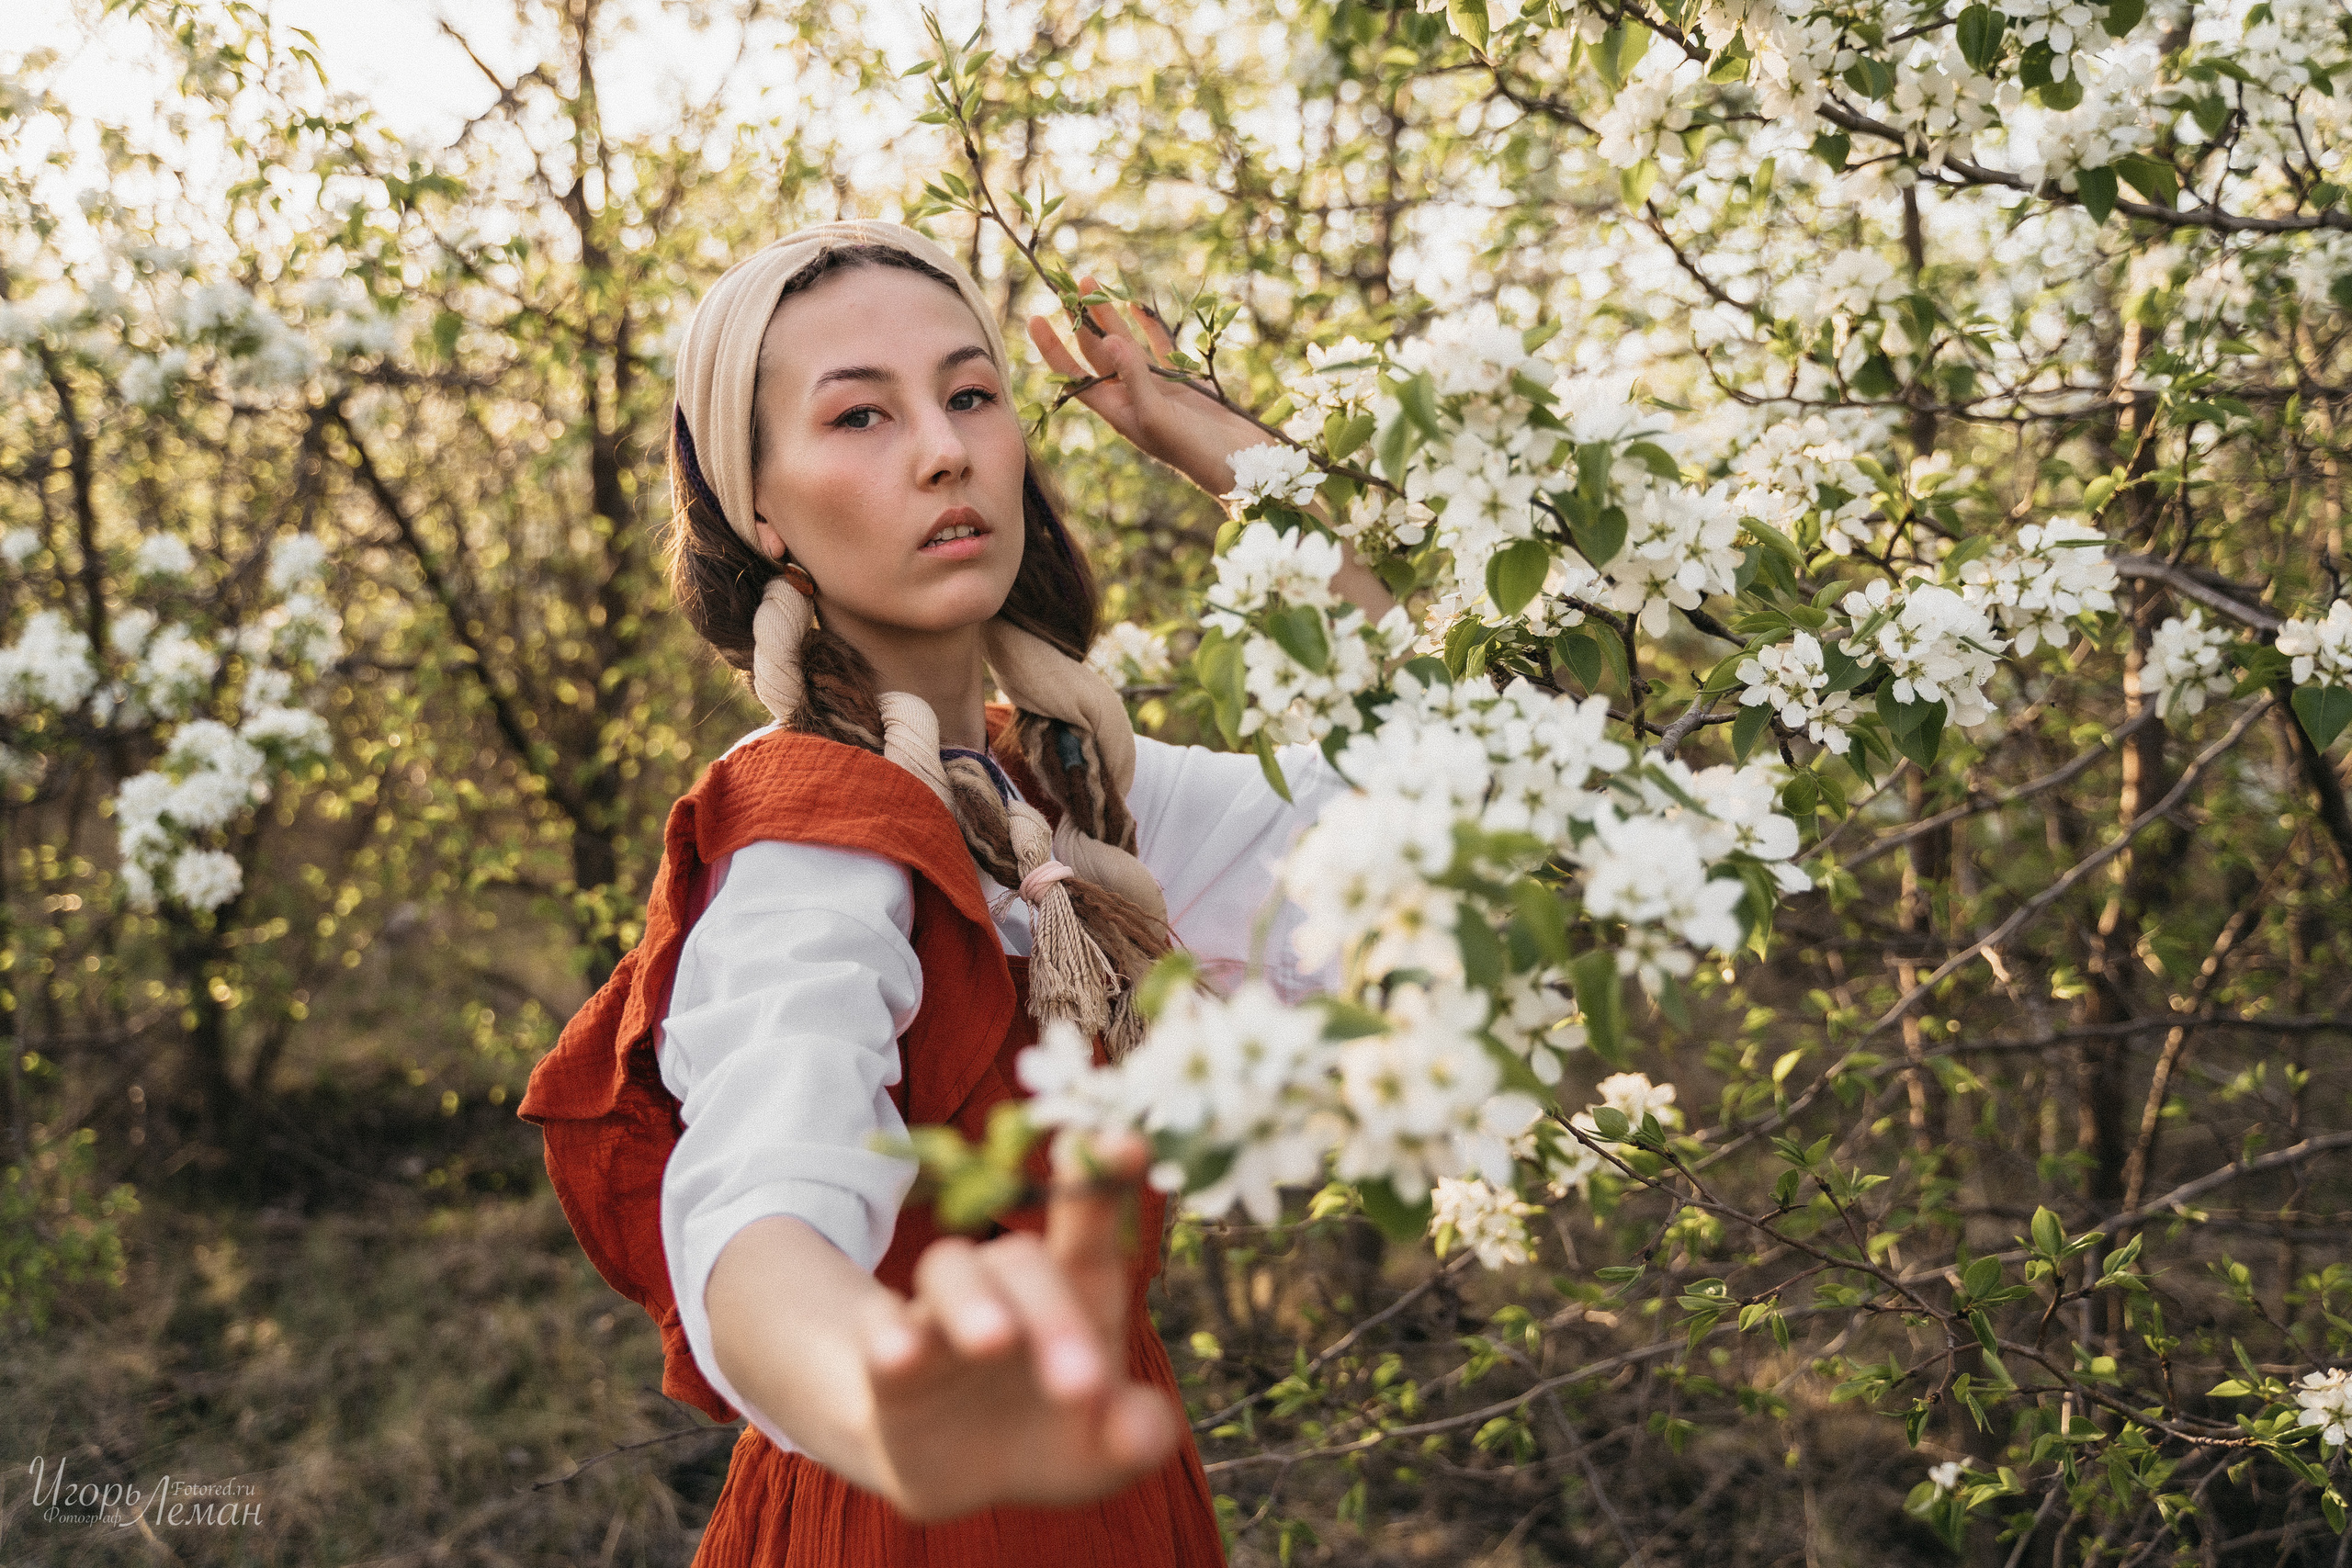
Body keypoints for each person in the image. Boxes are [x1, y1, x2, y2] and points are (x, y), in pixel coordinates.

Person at [517, 220, 1396, 1567]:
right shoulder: (810, 836)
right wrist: (887, 1395)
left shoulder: (1075, 792)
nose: (944, 449)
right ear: (761, 507)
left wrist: (1209, 439)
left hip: (1118, 1503)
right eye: (860, 414)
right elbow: (761, 1203)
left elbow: (1432, 802)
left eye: (972, 394)